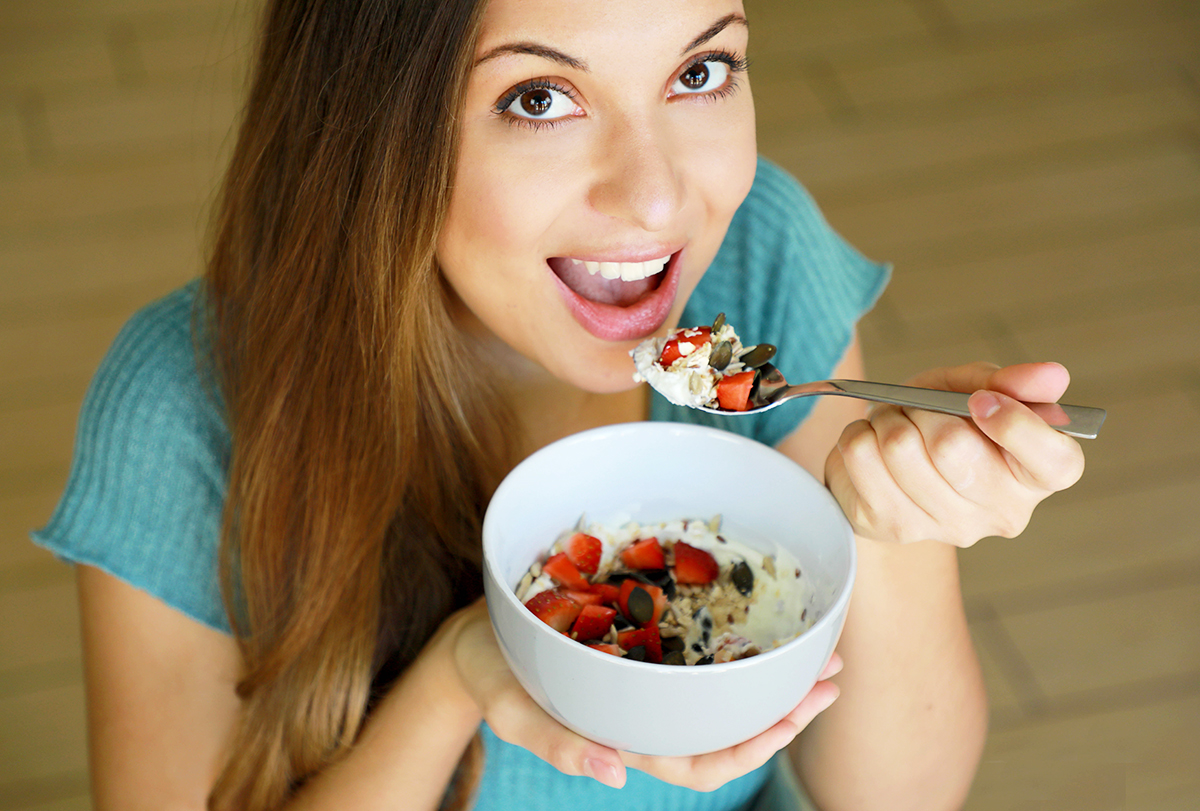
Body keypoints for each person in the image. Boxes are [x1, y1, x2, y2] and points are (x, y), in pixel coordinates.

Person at [33, 1, 1086, 810]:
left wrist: (893, 522)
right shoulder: (179, 411)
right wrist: (456, 680)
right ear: (365, 133)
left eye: (701, 70)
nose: (659, 198)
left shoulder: (760, 254)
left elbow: (897, 795)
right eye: (539, 98)